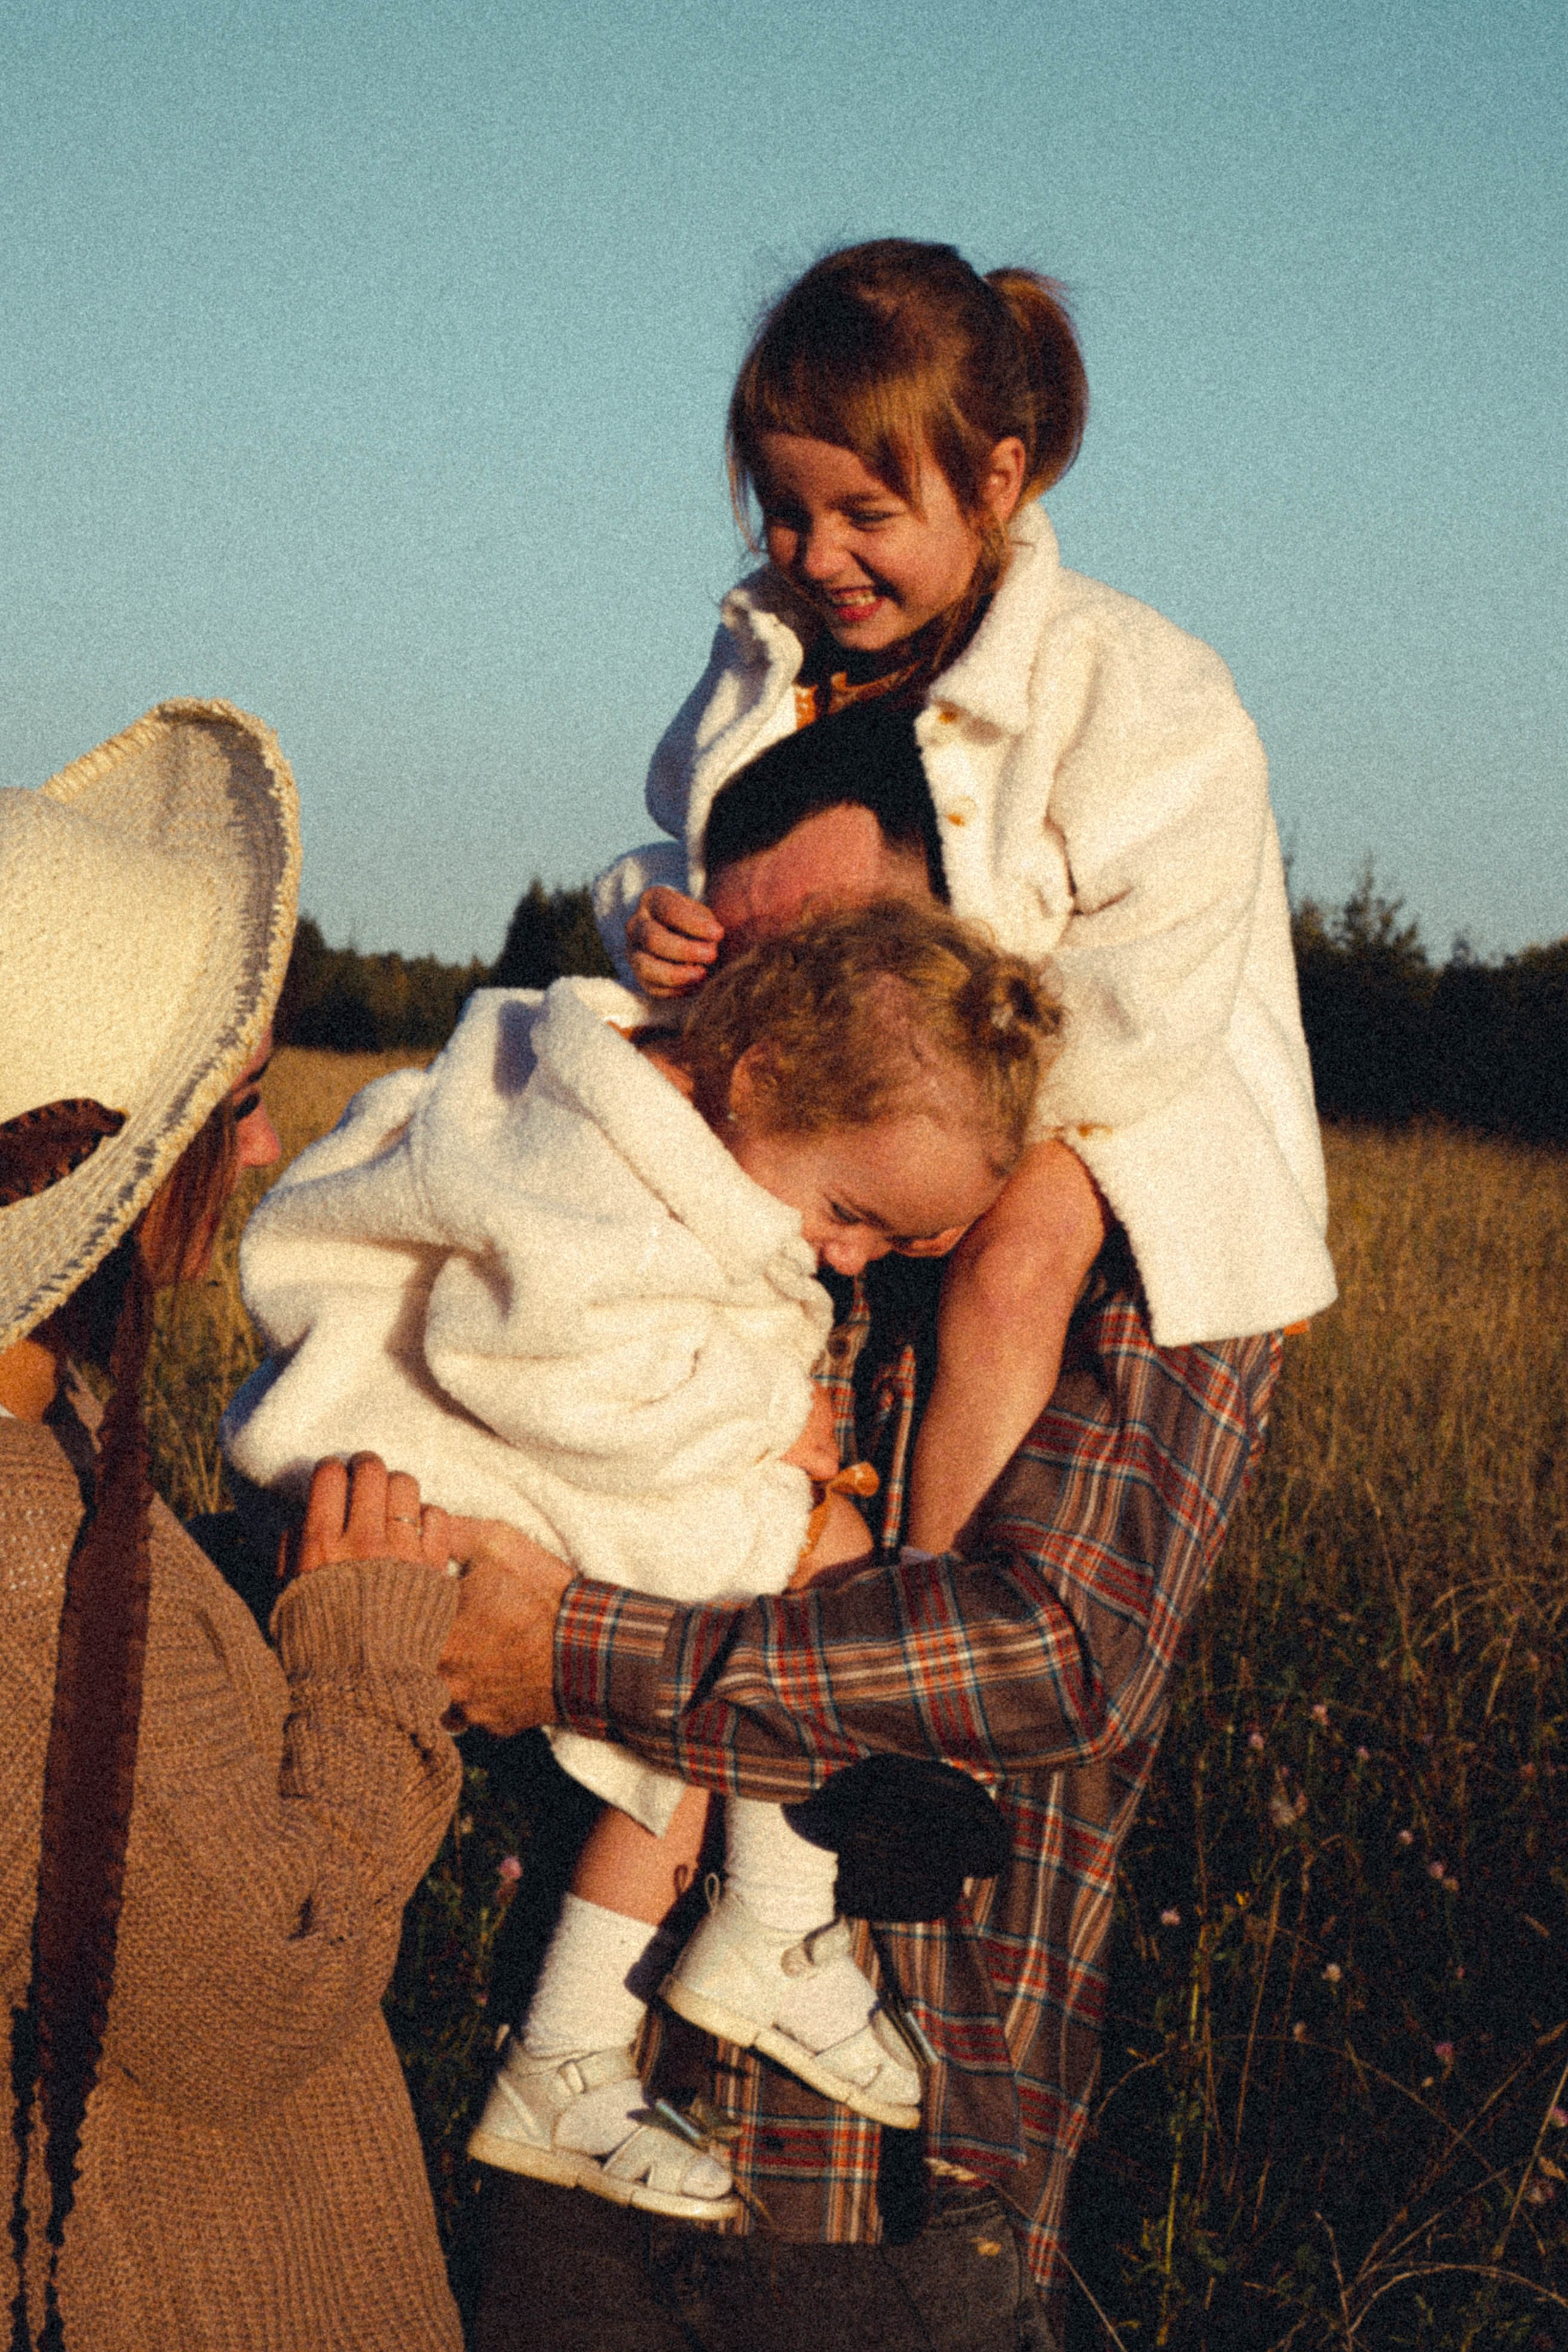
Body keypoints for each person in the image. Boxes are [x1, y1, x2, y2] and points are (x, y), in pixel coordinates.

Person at [433, 799, 1286, 2352]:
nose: (754, 990)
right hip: (578, 2103)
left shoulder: (1161, 1251)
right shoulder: (644, 1193)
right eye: (726, 946)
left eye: (819, 945)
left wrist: (565, 1647)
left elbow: (1050, 1656)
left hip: (881, 2186)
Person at [221, 901, 1060, 2225]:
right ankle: (764, 1928)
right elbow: (538, 1360)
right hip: (422, 1471)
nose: (845, 1262)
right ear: (762, 1075)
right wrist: (762, 1414)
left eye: (893, 1249)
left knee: (687, 1671)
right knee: (800, 1570)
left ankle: (572, 2054)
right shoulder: (594, 1177)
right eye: (849, 1215)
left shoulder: (667, 1120)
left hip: (460, 1455)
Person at [592, 236, 1336, 1557]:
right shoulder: (767, 666)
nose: (817, 555)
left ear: (995, 481)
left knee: (1014, 1259)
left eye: (865, 516)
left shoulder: (1127, 678)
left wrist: (968, 1122)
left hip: (1108, 1105)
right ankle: (714, 1567)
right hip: (875, 1107)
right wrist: (645, 917)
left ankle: (931, 1586)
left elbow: (1154, 987)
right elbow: (685, 841)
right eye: (783, 508)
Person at [0, 701, 465, 2351]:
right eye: (236, 1097)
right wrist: (360, 1669)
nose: (266, 1146)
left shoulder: (48, 1422)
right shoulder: (18, 1550)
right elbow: (240, 1998)